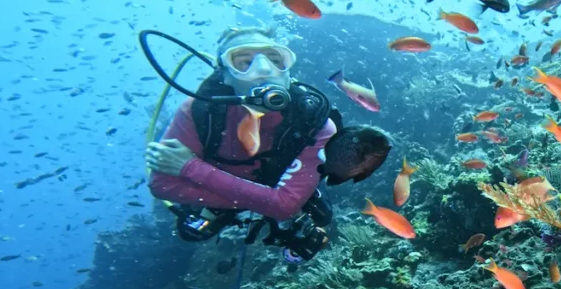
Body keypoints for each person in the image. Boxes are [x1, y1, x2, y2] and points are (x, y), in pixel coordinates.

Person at [146, 27, 391, 261]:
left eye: (275, 59)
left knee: (322, 217)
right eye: (243, 62)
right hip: (252, 194)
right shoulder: (200, 111)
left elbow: (284, 206)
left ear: (287, 69)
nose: (263, 70)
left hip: (233, 188)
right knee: (193, 233)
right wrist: (268, 202)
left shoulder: (314, 121)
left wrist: (190, 169)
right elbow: (161, 185)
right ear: (224, 75)